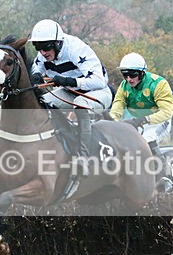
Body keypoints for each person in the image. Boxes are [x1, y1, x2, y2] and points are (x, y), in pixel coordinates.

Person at [28, 19, 112, 166]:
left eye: (46, 47)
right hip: (71, 92)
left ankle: (84, 157)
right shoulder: (43, 54)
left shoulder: (76, 49)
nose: (42, 52)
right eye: (38, 47)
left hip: (97, 92)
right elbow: (36, 70)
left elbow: (99, 81)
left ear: (58, 43)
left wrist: (69, 81)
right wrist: (35, 77)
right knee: (43, 103)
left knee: (80, 103)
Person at [109, 52, 173, 192]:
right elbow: (118, 105)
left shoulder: (158, 84)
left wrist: (144, 119)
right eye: (125, 74)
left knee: (145, 139)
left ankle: (163, 177)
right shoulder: (124, 85)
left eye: (132, 75)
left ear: (142, 73)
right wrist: (112, 121)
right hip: (136, 121)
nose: (128, 78)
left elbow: (167, 112)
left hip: (158, 120)